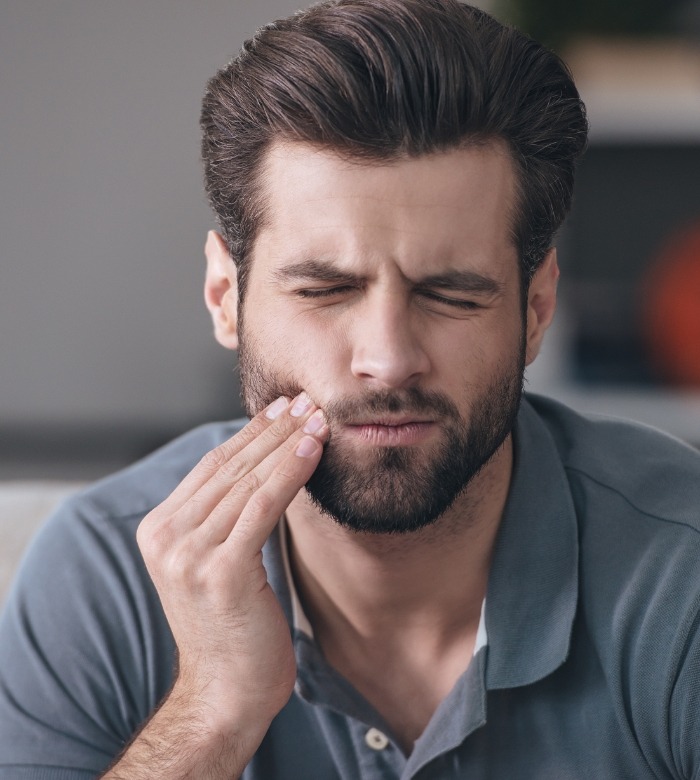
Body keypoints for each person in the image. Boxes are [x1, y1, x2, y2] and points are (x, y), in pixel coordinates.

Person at [1, 0, 700, 777]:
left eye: (452, 294)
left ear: (536, 310)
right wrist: (212, 714)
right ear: (224, 298)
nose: (389, 359)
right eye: (324, 290)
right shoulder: (102, 577)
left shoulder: (681, 575)